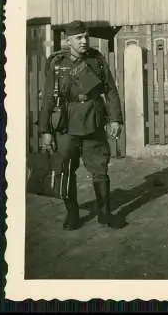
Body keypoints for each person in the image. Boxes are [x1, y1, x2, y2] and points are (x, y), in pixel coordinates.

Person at [39, 20, 123, 231]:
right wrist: (45, 130)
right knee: (65, 170)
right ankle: (72, 214)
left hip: (93, 123)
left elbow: (111, 91)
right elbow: (48, 99)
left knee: (100, 170)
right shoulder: (57, 64)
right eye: (78, 37)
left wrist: (115, 119)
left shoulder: (96, 61)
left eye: (86, 36)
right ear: (68, 41)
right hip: (66, 125)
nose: (84, 41)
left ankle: (105, 213)